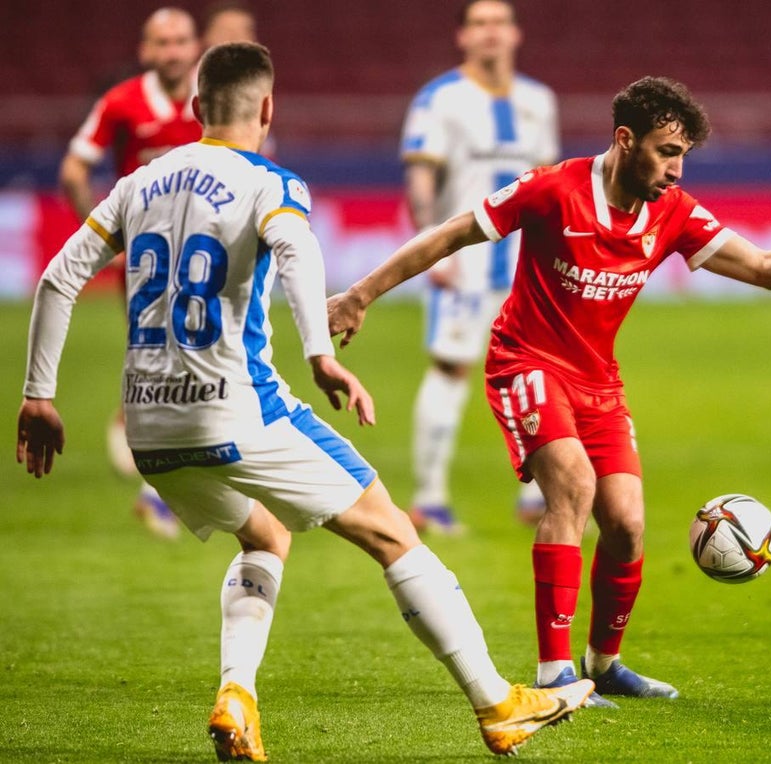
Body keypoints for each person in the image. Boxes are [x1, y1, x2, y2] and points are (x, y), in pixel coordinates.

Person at [17, 42, 591, 760]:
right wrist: (321, 354)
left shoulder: (139, 183)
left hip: (150, 429)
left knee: (265, 535)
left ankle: (237, 696)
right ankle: (497, 703)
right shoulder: (271, 182)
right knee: (389, 529)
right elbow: (295, 252)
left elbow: (55, 281)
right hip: (238, 408)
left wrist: (38, 395)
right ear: (267, 109)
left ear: (196, 110)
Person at [328, 76, 771, 706]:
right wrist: (360, 294)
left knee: (626, 525)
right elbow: (451, 233)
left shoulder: (673, 212)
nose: (676, 171)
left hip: (597, 379)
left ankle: (603, 664)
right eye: (666, 152)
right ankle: (553, 675)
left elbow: (763, 270)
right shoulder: (554, 189)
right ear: (626, 141)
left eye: (683, 156)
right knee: (573, 486)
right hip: (525, 362)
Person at [399, 0, 558, 533]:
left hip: (528, 265)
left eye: (499, 23)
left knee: (539, 374)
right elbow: (421, 176)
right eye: (478, 24)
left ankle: (539, 498)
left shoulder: (539, 100)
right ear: (462, 36)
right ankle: (430, 499)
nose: (490, 33)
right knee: (451, 368)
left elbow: (548, 181)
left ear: (515, 34)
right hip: (464, 261)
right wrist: (428, 246)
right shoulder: (439, 98)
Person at [59, 6, 203, 539]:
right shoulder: (121, 103)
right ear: (146, 50)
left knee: (184, 364)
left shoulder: (213, 98)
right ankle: (159, 489)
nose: (172, 51)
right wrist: (105, 239)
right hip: (147, 263)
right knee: (175, 362)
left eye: (181, 41)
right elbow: (74, 170)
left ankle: (137, 429)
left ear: (196, 46)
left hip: (208, 258)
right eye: (162, 42)